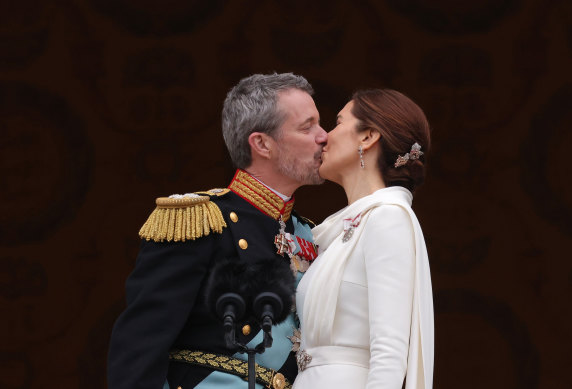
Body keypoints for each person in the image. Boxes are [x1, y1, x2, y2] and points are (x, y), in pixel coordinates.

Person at [108, 72, 328, 389]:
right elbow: (139, 345)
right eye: (307, 127)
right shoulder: (200, 220)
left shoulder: (308, 233)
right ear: (262, 144)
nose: (324, 137)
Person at [292, 89, 434, 389]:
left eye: (338, 123)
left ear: (368, 137)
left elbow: (389, 354)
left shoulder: (387, 218)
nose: (324, 137)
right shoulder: (341, 231)